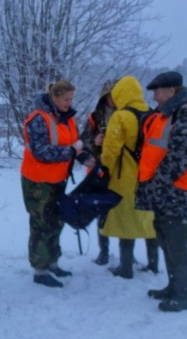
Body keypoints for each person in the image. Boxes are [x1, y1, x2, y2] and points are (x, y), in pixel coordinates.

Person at [136, 71, 187, 312]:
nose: (154, 97)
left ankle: (182, 295)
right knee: (166, 241)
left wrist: (157, 183)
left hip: (179, 190)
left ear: (172, 91)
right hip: (165, 191)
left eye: (157, 91)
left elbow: (181, 155)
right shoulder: (166, 114)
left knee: (179, 243)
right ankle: (173, 286)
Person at [21, 79, 96, 288]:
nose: (69, 103)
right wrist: (71, 152)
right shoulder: (38, 119)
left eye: (71, 99)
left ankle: (53, 262)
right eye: (65, 99)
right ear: (54, 97)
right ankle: (40, 269)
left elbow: (71, 145)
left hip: (58, 180)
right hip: (38, 182)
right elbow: (41, 151)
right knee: (41, 224)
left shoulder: (67, 119)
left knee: (56, 221)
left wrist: (82, 157)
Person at [98, 75, 158, 279]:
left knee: (126, 221)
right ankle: (153, 264)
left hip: (126, 177)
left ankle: (125, 268)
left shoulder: (121, 117)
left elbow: (110, 151)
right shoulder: (153, 115)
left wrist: (104, 170)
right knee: (149, 220)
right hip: (150, 176)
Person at [80, 79, 116, 265]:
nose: (112, 99)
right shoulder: (95, 117)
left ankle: (127, 253)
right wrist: (94, 140)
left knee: (124, 212)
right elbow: (82, 142)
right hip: (99, 171)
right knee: (102, 212)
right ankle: (104, 251)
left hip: (121, 171)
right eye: (109, 95)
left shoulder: (129, 115)